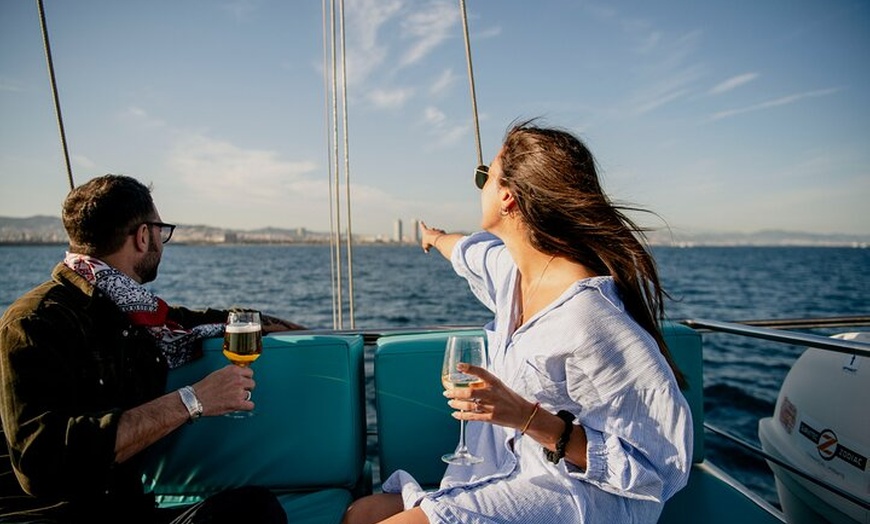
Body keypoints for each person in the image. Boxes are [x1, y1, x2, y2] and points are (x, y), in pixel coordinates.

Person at [344, 121, 692, 524]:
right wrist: (435, 238)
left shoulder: (590, 318)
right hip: (507, 474)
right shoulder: (513, 273)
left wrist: (529, 418)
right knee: (361, 513)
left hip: (575, 496)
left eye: (484, 177)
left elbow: (659, 467)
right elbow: (467, 252)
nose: (480, 187)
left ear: (507, 197)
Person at [0, 174, 303, 523]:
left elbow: (182, 321)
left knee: (253, 510)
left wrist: (262, 322)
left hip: (124, 509)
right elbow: (40, 464)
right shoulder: (34, 321)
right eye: (162, 230)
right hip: (51, 516)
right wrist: (194, 399)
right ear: (144, 236)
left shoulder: (130, 313)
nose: (162, 241)